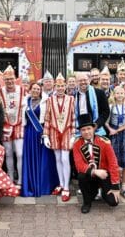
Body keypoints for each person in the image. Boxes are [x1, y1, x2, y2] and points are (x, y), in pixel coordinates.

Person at [73, 114, 120, 214]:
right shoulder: (77, 144)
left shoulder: (104, 142)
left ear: (93, 129)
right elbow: (79, 165)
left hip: (104, 175)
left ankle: (103, 192)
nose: (86, 132)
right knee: (81, 176)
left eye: (89, 128)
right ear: (80, 132)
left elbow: (113, 163)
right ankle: (87, 202)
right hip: (90, 175)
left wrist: (115, 186)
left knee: (113, 202)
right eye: (83, 130)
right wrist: (95, 171)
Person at [21, 82, 58, 196]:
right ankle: (31, 185)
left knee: (44, 159)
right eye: (34, 89)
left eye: (38, 89)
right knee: (31, 158)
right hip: (29, 133)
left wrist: (47, 134)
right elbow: (23, 119)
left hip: (41, 132)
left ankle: (44, 186)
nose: (36, 90)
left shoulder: (46, 101)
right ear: (30, 89)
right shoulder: (25, 101)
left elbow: (49, 117)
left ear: (40, 91)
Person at [43, 73, 76, 201]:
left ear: (66, 86)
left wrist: (74, 134)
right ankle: (61, 184)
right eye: (58, 86)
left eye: (62, 86)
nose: (60, 88)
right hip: (54, 131)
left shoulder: (71, 99)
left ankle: (66, 187)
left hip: (67, 131)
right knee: (57, 158)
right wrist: (45, 135)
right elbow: (47, 118)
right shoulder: (50, 100)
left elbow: (73, 118)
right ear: (55, 86)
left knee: (65, 158)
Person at [105, 86, 125, 200]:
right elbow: (106, 122)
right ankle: (115, 184)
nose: (120, 95)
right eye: (117, 93)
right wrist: (111, 130)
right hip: (114, 136)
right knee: (114, 161)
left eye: (122, 93)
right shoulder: (111, 106)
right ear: (114, 95)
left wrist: (122, 129)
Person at [0, 65, 26, 185]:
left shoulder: (23, 90)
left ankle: (20, 178)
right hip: (6, 124)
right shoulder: (0, 91)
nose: (9, 81)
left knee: (19, 153)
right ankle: (10, 177)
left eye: (11, 78)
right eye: (7, 79)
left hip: (19, 124)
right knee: (8, 152)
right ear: (4, 80)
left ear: (15, 78)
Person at [75, 72, 109, 136]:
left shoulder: (99, 93)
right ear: (76, 82)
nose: (83, 82)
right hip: (80, 131)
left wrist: (96, 125)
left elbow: (105, 112)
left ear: (89, 80)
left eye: (85, 80)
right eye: (80, 80)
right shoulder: (74, 96)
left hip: (97, 130)